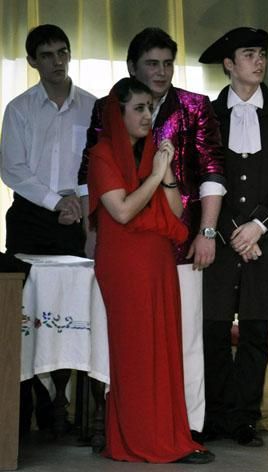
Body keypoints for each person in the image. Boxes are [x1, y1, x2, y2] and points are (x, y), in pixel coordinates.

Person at [77, 27, 225, 438]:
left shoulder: (194, 106)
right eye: (152, 64)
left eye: (168, 64)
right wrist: (92, 231)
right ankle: (127, 426)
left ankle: (187, 427)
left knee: (185, 338)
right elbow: (90, 174)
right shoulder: (110, 107)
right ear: (132, 67)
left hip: (180, 239)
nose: (161, 72)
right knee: (125, 341)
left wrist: (207, 231)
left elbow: (213, 171)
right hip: (125, 245)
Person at [199, 27, 268, 447]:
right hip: (220, 239)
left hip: (266, 240)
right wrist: (231, 230)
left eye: (261, 53)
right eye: (248, 54)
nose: (259, 61)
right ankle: (216, 416)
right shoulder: (207, 115)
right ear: (229, 64)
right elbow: (203, 177)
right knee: (213, 331)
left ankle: (245, 419)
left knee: (256, 333)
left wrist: (258, 225)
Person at [0, 24, 96, 435]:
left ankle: (61, 404)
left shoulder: (92, 106)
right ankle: (25, 407)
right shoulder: (19, 108)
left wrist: (81, 210)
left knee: (71, 311)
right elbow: (13, 169)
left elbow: (95, 166)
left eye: (63, 52)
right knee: (25, 311)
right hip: (31, 218)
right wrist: (55, 201)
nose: (57, 61)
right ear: (32, 61)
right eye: (47, 55)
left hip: (76, 218)